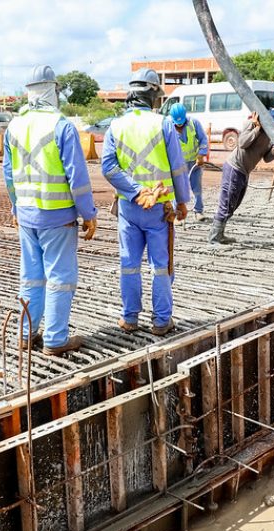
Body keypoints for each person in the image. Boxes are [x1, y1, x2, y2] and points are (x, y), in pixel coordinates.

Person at [3, 65, 97, 356]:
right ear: (51, 90)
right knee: (60, 278)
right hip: (57, 216)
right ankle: (56, 340)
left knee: (31, 276)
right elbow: (77, 177)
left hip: (27, 215)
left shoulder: (13, 125)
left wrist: (16, 206)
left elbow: (9, 173)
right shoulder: (61, 125)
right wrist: (89, 214)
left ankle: (25, 334)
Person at [101, 68, 190, 336]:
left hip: (129, 208)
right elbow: (177, 168)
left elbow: (109, 168)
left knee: (129, 264)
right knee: (160, 267)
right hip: (160, 209)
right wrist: (183, 201)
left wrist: (134, 191)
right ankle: (161, 321)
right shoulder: (163, 124)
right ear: (153, 96)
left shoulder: (115, 126)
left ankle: (129, 318)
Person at [208, 102, 274, 244]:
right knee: (226, 205)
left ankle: (220, 234)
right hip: (234, 168)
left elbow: (266, 158)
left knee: (233, 205)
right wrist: (257, 128)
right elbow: (242, 142)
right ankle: (214, 237)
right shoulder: (252, 123)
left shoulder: (271, 135)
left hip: (244, 172)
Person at [168, 102, 209, 221]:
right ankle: (177, 214)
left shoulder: (193, 123)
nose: (179, 125)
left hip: (194, 162)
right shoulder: (168, 125)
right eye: (177, 123)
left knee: (196, 188)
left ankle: (198, 211)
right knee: (177, 189)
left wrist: (201, 154)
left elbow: (203, 140)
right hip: (177, 164)